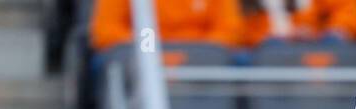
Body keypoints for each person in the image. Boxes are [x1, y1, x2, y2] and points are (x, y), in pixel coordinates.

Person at [90, 0, 244, 50]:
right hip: (140, 60)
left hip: (199, 63)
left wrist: (192, 53)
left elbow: (230, 30)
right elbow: (105, 31)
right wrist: (154, 49)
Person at [242, 0, 356, 45]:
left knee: (332, 46)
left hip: (313, 46)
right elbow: (232, 30)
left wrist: (324, 34)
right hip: (260, 51)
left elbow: (354, 18)